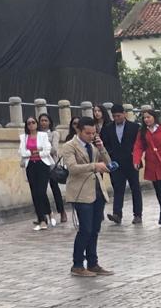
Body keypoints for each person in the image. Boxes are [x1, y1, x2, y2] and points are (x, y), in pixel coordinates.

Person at [58, 117, 113, 277]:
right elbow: (73, 168)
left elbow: (108, 164)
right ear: (79, 131)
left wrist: (102, 148)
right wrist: (94, 166)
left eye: (93, 133)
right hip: (80, 193)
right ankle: (77, 264)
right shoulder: (69, 146)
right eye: (87, 133)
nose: (91, 136)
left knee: (95, 229)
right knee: (85, 230)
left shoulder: (94, 146)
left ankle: (93, 263)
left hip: (97, 191)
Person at [100, 104, 142, 224]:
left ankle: (138, 214)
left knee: (135, 188)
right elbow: (105, 144)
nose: (116, 118)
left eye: (118, 116)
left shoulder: (134, 127)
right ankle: (117, 214)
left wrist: (136, 158)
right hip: (116, 163)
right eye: (114, 116)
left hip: (131, 162)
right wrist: (111, 156)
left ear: (124, 114)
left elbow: (138, 144)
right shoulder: (107, 128)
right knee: (118, 188)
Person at [19, 115, 55, 230]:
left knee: (41, 192)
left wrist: (34, 152)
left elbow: (46, 151)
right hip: (31, 166)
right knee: (35, 193)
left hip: (42, 165)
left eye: (33, 122)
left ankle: (48, 212)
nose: (31, 125)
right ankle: (42, 219)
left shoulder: (43, 135)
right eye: (28, 123)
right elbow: (22, 152)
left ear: (36, 124)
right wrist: (35, 152)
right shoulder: (24, 137)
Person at [38, 113, 67, 224]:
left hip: (51, 165)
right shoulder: (36, 135)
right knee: (41, 191)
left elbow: (54, 149)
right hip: (39, 165)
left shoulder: (54, 134)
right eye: (41, 120)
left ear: (50, 122)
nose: (43, 123)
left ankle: (62, 211)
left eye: (46, 120)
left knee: (55, 189)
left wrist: (40, 149)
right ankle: (47, 214)